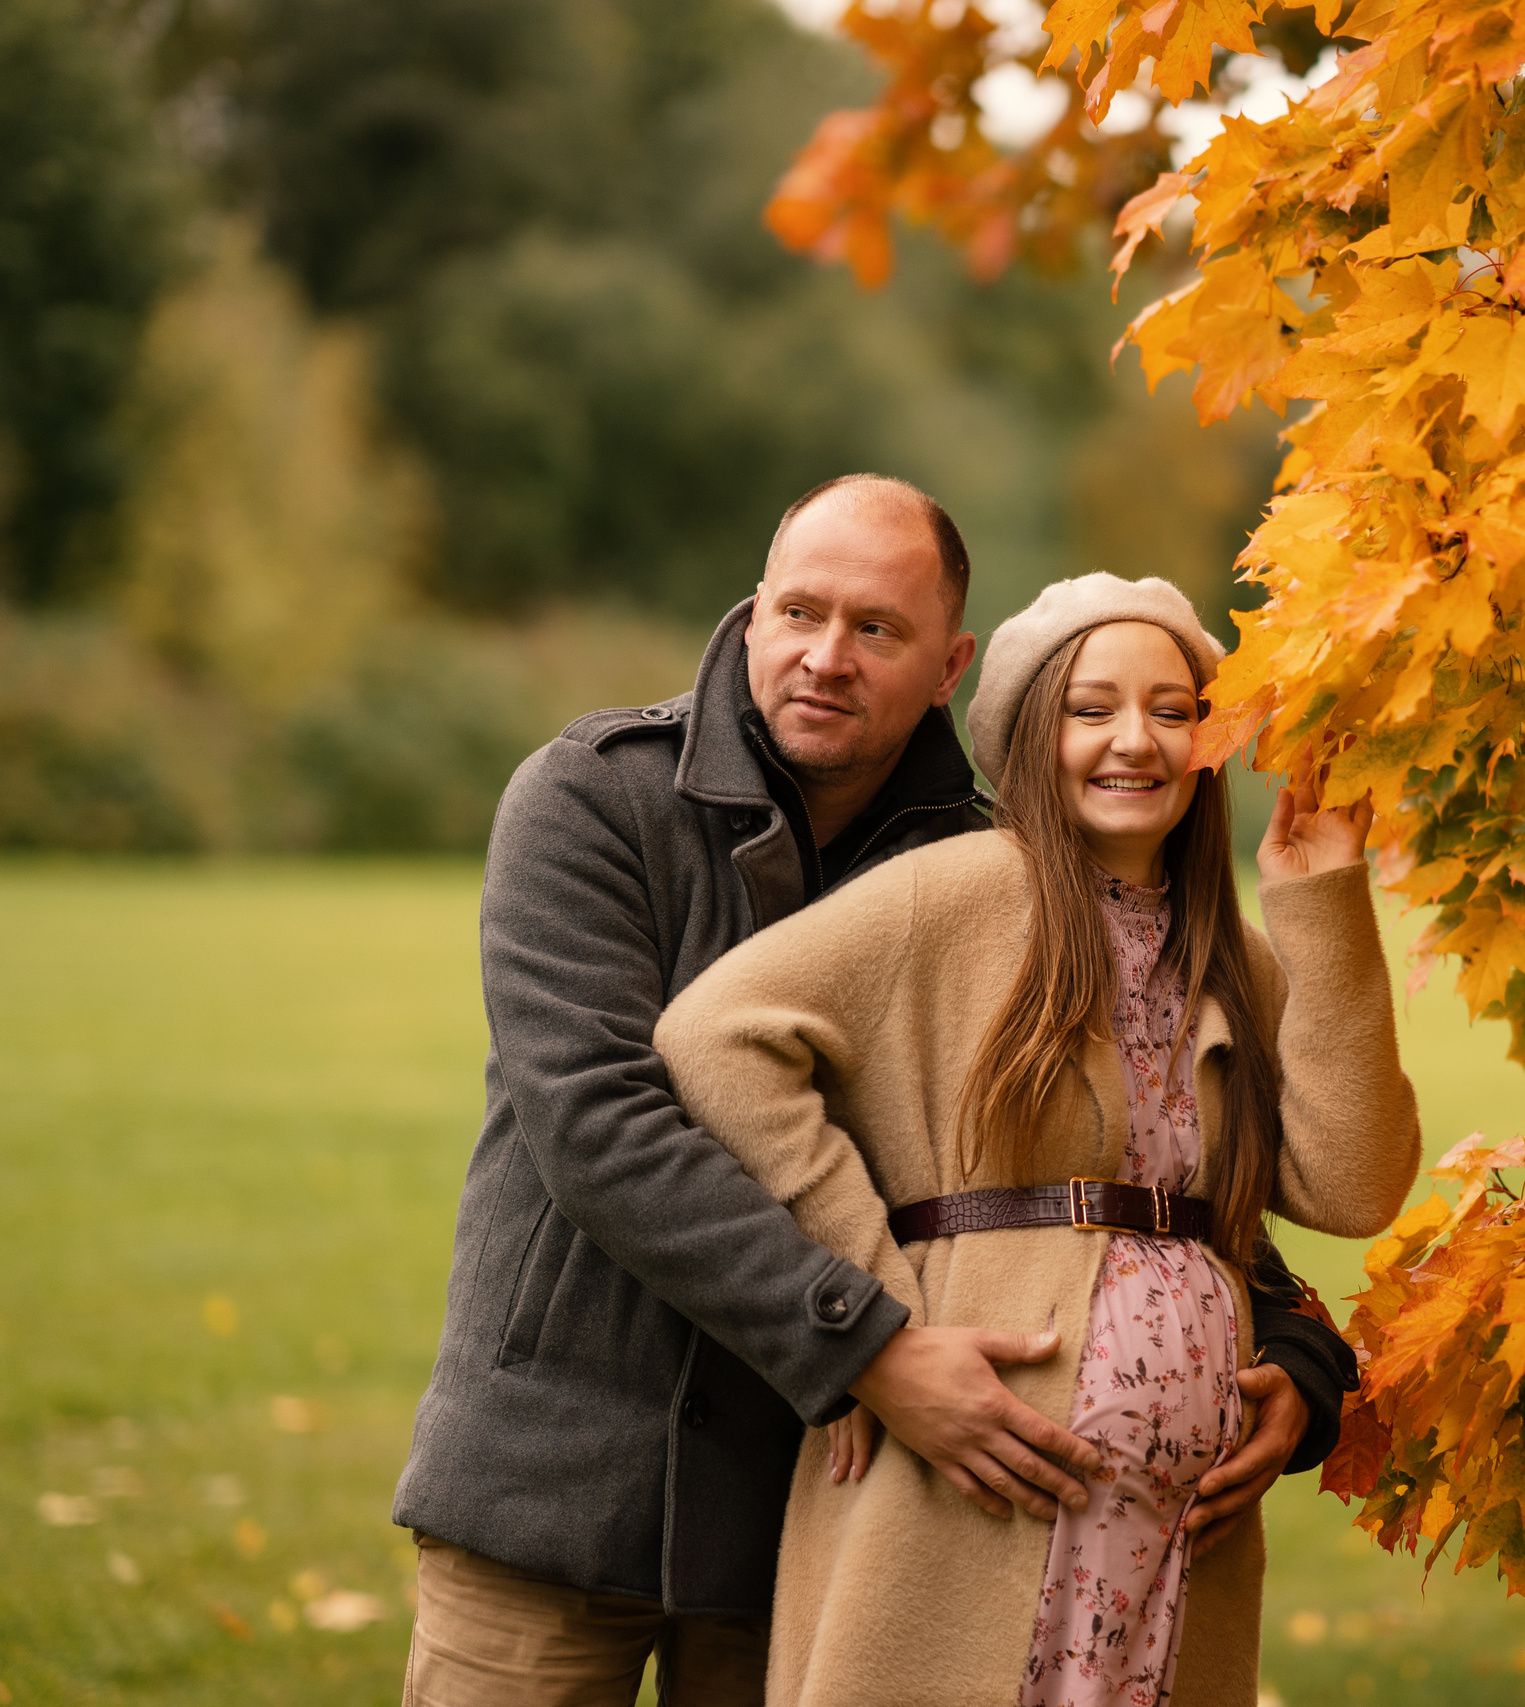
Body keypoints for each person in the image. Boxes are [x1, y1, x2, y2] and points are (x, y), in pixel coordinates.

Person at [393, 481, 1359, 1706]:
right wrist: (871, 1344)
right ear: (752, 618)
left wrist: (1293, 1349)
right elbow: (600, 1125)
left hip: (806, 1509)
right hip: (560, 1476)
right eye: (799, 613)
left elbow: (1117, 1166)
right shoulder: (595, 797)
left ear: (951, 664)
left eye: (877, 631)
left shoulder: (996, 871)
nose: (825, 657)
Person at [652, 573, 1423, 1707]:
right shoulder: (955, 894)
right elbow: (717, 1035)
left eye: (1173, 711)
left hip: (1170, 1543)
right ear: (1028, 735)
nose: (1136, 742)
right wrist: (877, 1304)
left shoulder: (1232, 954)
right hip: (974, 1487)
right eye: (1092, 708)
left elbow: (1353, 1187)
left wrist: (1322, 902)